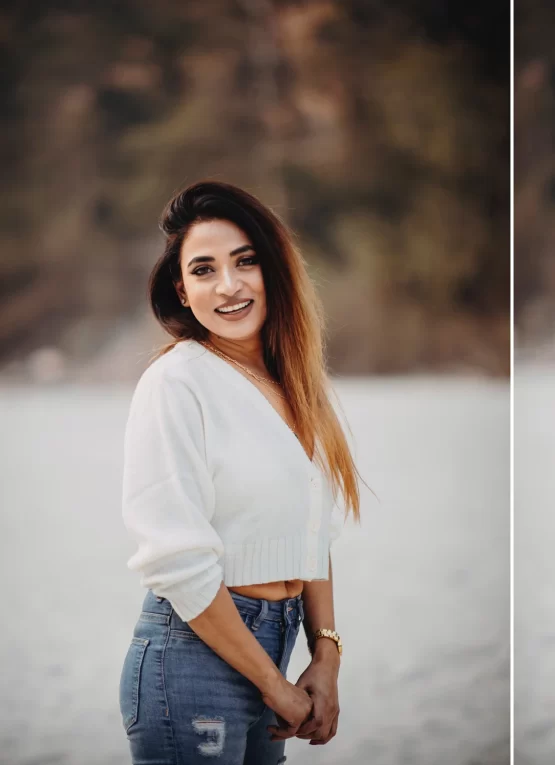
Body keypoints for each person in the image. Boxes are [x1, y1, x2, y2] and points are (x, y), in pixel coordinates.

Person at [118, 180, 361, 763]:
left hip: (273, 645)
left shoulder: (294, 385)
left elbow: (311, 532)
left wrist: (324, 657)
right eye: (203, 270)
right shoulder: (176, 384)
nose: (228, 286)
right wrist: (273, 685)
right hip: (192, 660)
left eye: (245, 261)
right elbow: (176, 560)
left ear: (273, 269)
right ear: (182, 289)